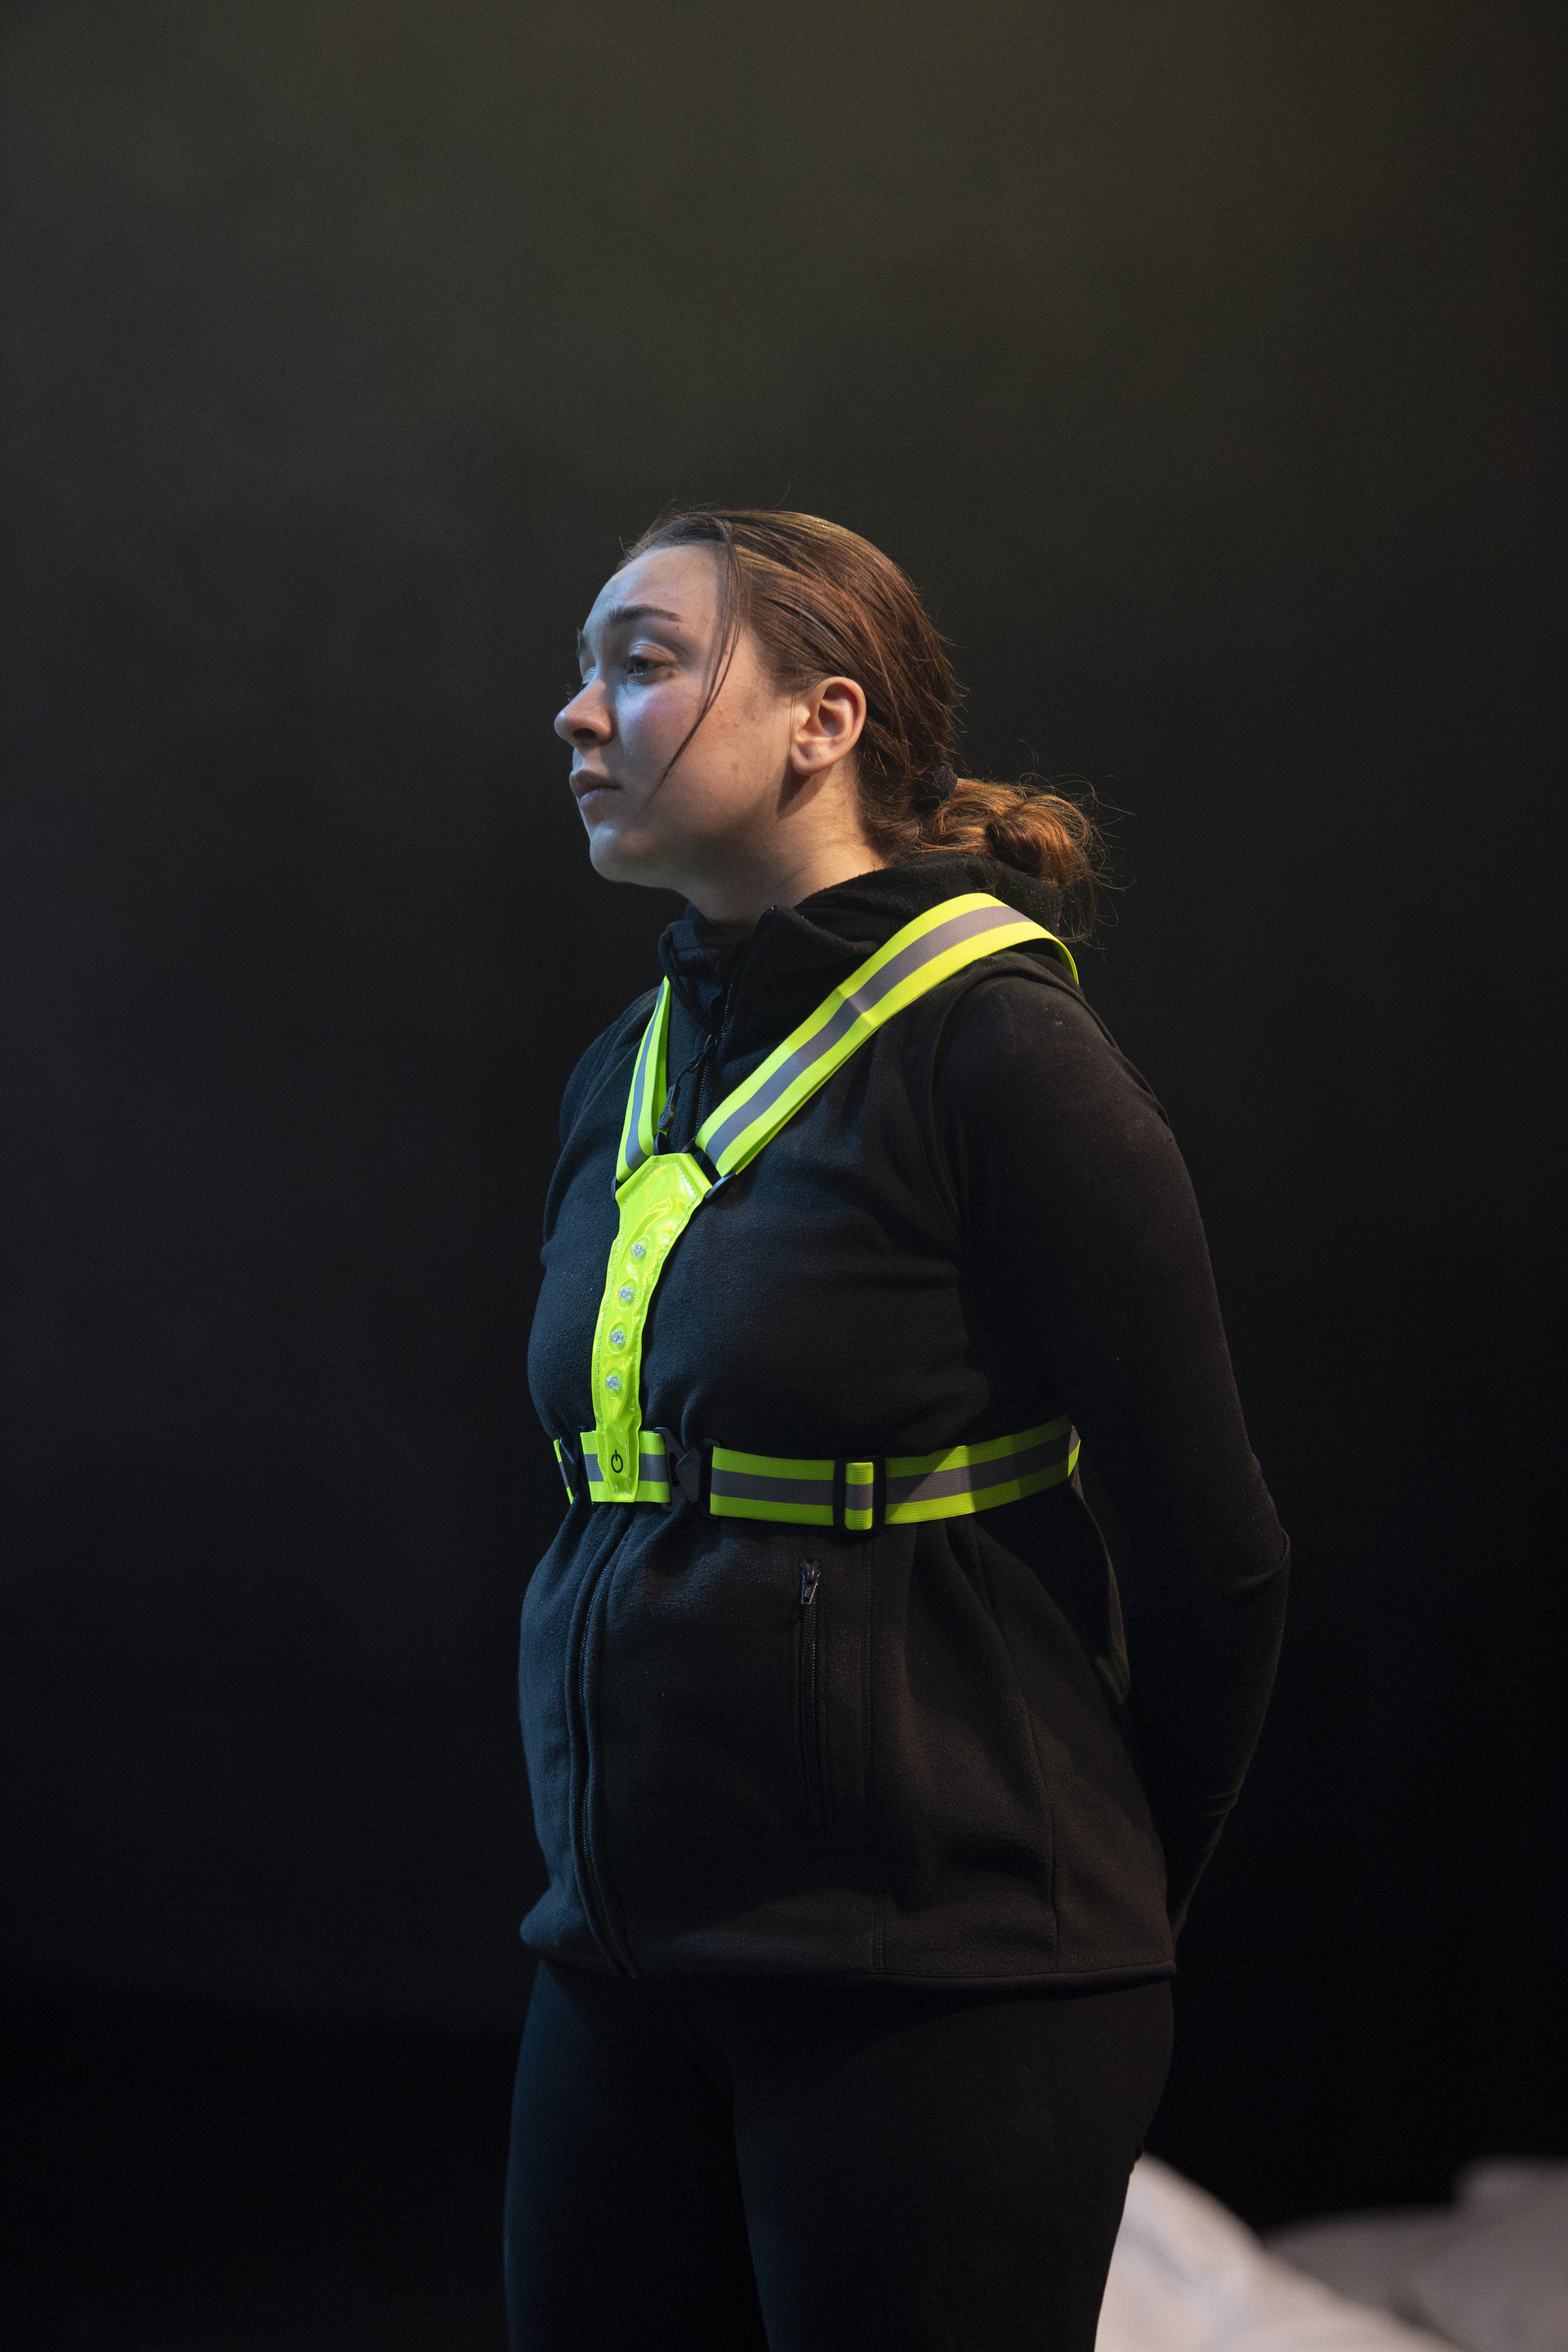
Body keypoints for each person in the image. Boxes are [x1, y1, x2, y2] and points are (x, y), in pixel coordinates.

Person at [506, 508, 1289, 2352]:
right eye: (583, 667)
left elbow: (1219, 1560)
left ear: (823, 720)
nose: (578, 711)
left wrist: (1093, 1903)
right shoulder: (625, 1066)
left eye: (642, 661)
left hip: (941, 1986)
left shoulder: (1003, 1055)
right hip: (625, 1965)